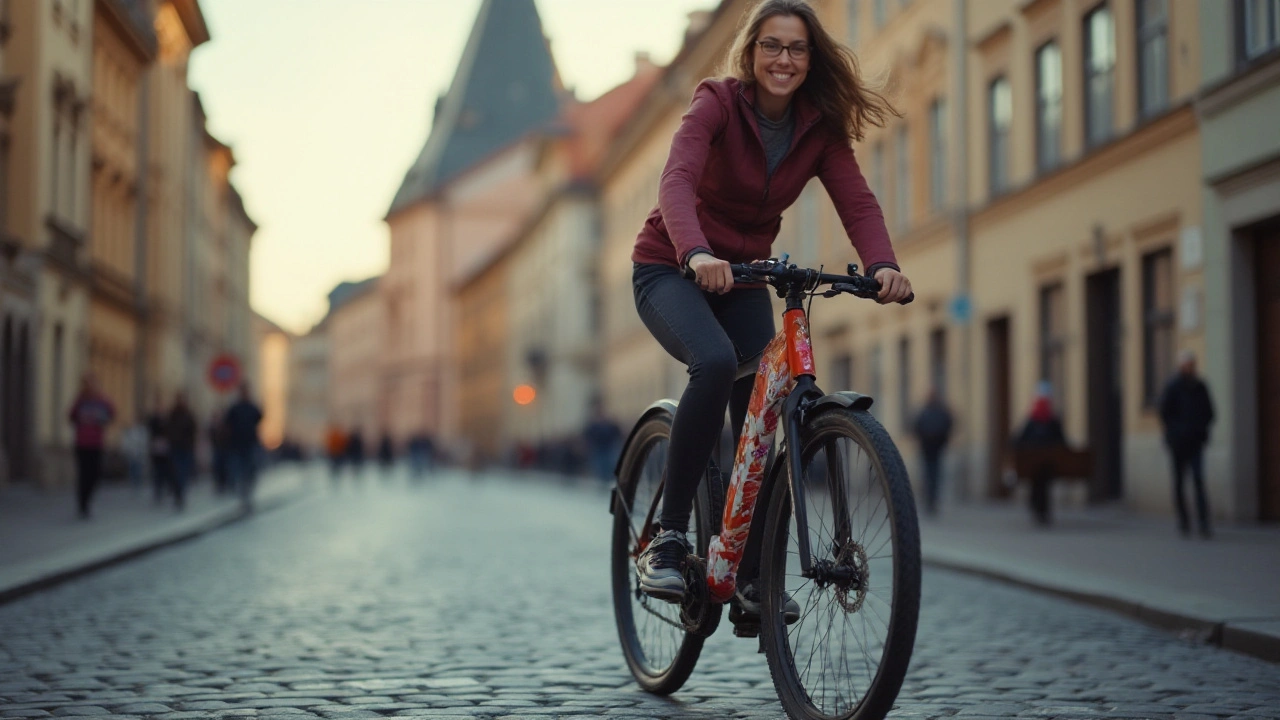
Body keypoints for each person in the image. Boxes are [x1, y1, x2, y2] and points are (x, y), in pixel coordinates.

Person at [629, 0, 911, 616]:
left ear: (812, 60)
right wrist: (696, 250)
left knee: (764, 411)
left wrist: (883, 263)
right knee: (714, 359)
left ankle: (752, 572)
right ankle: (671, 537)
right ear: (752, 54)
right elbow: (676, 180)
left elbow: (857, 201)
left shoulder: (818, 129)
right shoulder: (717, 103)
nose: (784, 59)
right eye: (772, 46)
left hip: (747, 278)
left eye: (798, 48)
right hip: (669, 267)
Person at [1158, 349, 1216, 538]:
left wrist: (1200, 428)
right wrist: (1177, 431)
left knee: (1198, 480)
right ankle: (1183, 520)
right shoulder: (1173, 386)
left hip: (1196, 442)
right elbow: (1164, 412)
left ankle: (1203, 522)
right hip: (1178, 443)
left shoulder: (1200, 386)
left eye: (1192, 364)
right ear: (1181, 366)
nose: (1190, 368)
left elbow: (1210, 412)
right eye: (1187, 364)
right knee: (1179, 482)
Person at [1013, 381, 1067, 526]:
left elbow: (1060, 440)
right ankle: (1039, 511)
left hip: (1044, 462)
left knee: (1042, 487)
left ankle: (1041, 511)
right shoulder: (1037, 421)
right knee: (1040, 487)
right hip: (1037, 462)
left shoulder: (1048, 421)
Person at [67, 374, 115, 519]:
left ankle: (87, 500)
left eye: (93, 384)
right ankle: (83, 505)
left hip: (96, 443)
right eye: (88, 385)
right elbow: (71, 416)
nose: (91, 387)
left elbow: (112, 414)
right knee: (83, 475)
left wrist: (102, 420)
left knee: (95, 474)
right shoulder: (80, 401)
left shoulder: (102, 401)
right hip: (82, 443)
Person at [913, 389, 954, 517]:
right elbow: (917, 426)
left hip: (935, 448)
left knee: (933, 475)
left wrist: (941, 439)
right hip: (928, 448)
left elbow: (948, 424)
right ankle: (930, 500)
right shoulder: (927, 412)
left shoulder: (936, 412)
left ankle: (932, 500)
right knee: (930, 475)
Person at [224, 382, 264, 510]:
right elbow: (227, 422)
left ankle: (248, 494)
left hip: (250, 444)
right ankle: (243, 495)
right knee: (239, 471)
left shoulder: (252, 407)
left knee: (251, 471)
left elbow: (260, 417)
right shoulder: (234, 408)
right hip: (237, 445)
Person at [166, 392, 198, 511]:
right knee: (176, 472)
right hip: (175, 447)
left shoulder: (189, 415)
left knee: (183, 473)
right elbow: (167, 429)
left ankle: (181, 494)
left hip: (186, 448)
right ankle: (177, 493)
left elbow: (194, 431)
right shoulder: (173, 414)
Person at [583, 402, 624, 483]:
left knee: (610, 468)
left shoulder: (610, 423)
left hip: (608, 449)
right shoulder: (593, 425)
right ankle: (602, 483)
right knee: (600, 470)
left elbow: (618, 434)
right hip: (598, 450)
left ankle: (608, 482)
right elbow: (587, 436)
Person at [146, 393, 172, 506]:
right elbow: (150, 433)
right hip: (156, 449)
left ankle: (165, 488)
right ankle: (158, 490)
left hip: (166, 450)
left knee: (165, 470)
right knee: (157, 471)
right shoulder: (153, 420)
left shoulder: (168, 419)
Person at [120, 420, 150, 492]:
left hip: (138, 452)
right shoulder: (128, 432)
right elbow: (126, 442)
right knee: (132, 468)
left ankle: (137, 482)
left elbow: (143, 442)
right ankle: (133, 482)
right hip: (132, 452)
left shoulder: (141, 432)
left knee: (137, 468)